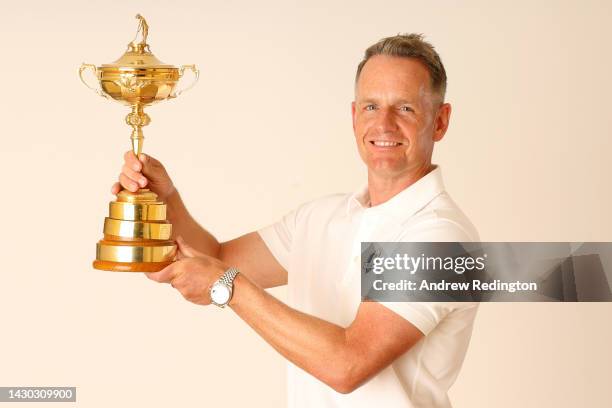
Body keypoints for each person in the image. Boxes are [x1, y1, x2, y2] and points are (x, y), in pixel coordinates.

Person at [111, 33, 479, 407]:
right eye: (371, 107)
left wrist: (228, 287)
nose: (383, 124)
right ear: (354, 116)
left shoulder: (441, 237)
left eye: (405, 109)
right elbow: (219, 259)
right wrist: (167, 198)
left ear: (440, 122)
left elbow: (348, 364)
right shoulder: (318, 218)